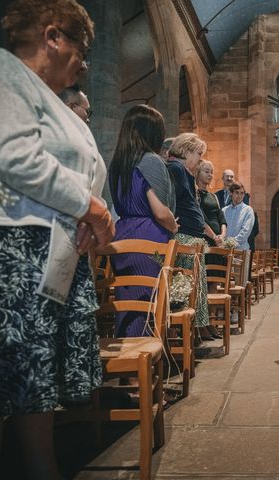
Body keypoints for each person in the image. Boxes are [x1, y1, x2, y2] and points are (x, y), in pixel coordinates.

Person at [0, 1, 114, 478]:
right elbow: (12, 156)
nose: (85, 63)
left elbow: (84, 170)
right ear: (53, 36)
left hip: (54, 257)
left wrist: (91, 216)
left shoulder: (54, 102)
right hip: (11, 254)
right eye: (82, 50)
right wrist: (92, 208)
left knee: (35, 387)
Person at [109, 104, 178, 338]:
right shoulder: (151, 160)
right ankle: (144, 364)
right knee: (148, 303)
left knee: (127, 302)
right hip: (149, 237)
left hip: (123, 235)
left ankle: (129, 366)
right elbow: (160, 211)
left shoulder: (119, 163)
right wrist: (174, 225)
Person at [166, 133, 214, 339]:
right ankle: (186, 335)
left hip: (192, 237)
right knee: (188, 290)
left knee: (196, 289)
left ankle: (194, 333)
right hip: (184, 236)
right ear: (186, 150)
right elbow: (171, 200)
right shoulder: (176, 168)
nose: (199, 159)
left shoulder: (183, 171)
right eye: (198, 154)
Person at [223, 182, 255, 283]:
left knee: (240, 283)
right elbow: (221, 229)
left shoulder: (248, 210)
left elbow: (245, 232)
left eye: (242, 193)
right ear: (230, 193)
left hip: (241, 251)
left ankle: (242, 299)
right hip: (225, 252)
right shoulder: (224, 210)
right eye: (237, 192)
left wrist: (230, 244)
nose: (240, 196)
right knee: (225, 282)